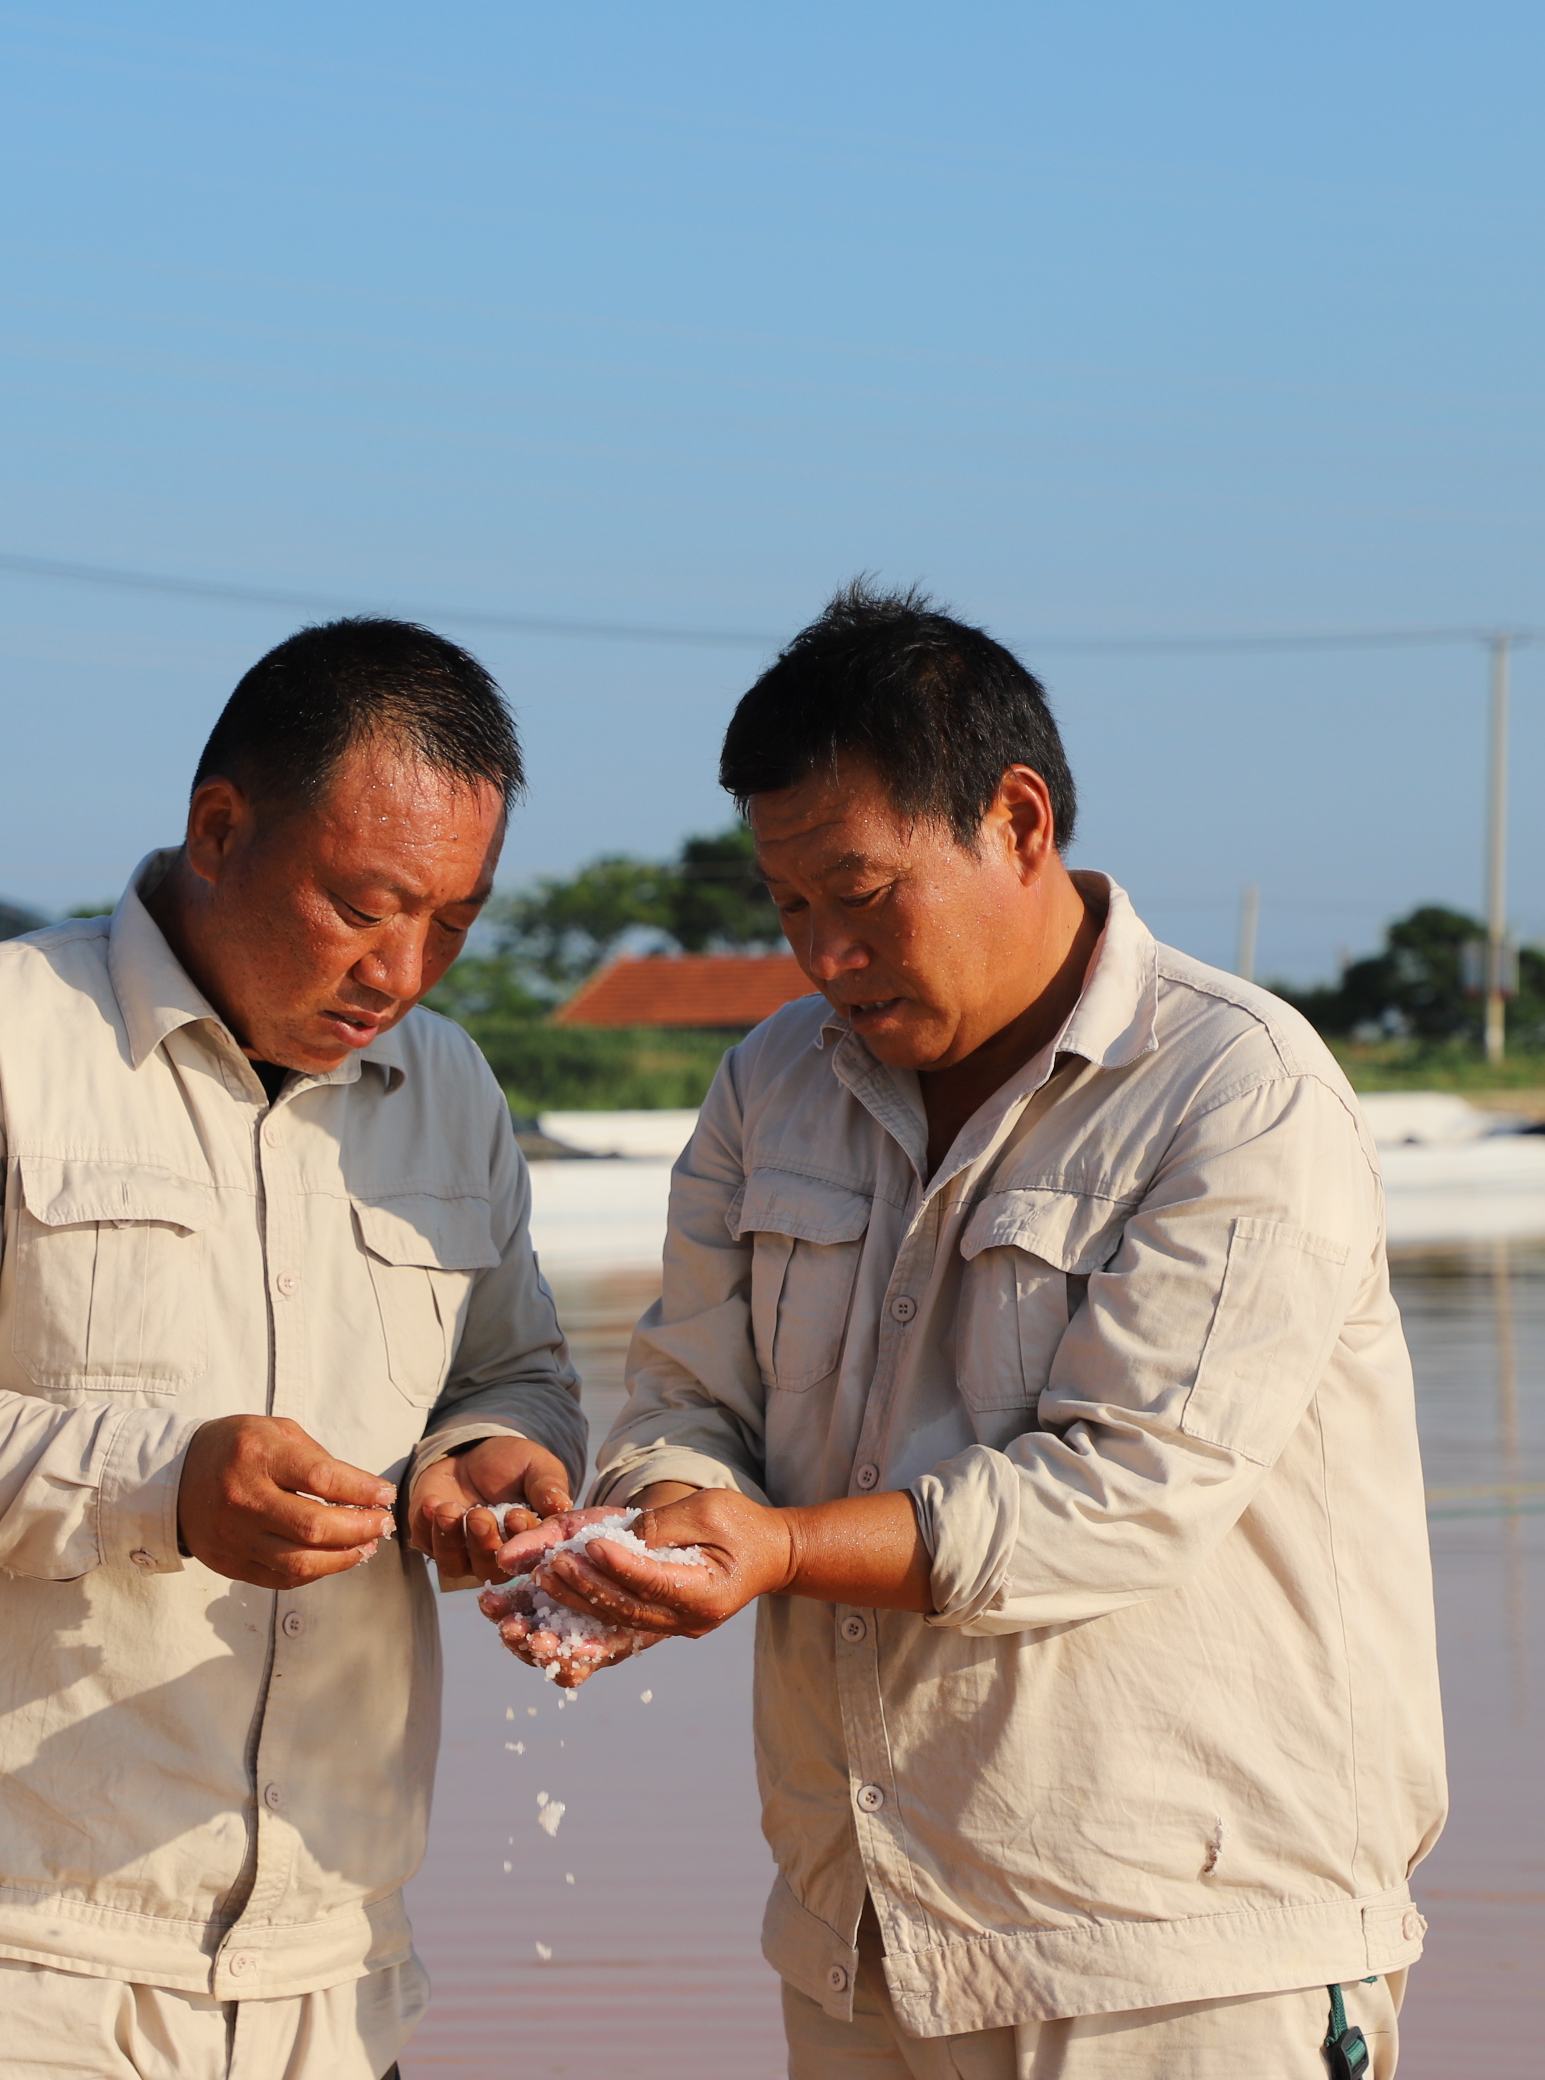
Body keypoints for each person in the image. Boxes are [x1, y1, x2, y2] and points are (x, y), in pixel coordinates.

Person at [495, 584, 1445, 2077]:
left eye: (862, 894)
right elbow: (686, 1396)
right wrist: (652, 1528)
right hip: (860, 1931)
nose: (824, 954)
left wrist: (779, 1549)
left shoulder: (1238, 1090)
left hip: (1173, 1962)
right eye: (789, 905)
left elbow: (1127, 1492)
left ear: (1018, 821)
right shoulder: (769, 1087)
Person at [0, 617, 589, 2080]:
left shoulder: (449, 1088)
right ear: (218, 829)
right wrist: (165, 1486)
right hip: (5, 1933)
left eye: (454, 922)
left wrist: (487, 1460)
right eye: (364, 906)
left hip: (334, 1952)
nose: (403, 970)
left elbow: (511, 1372)